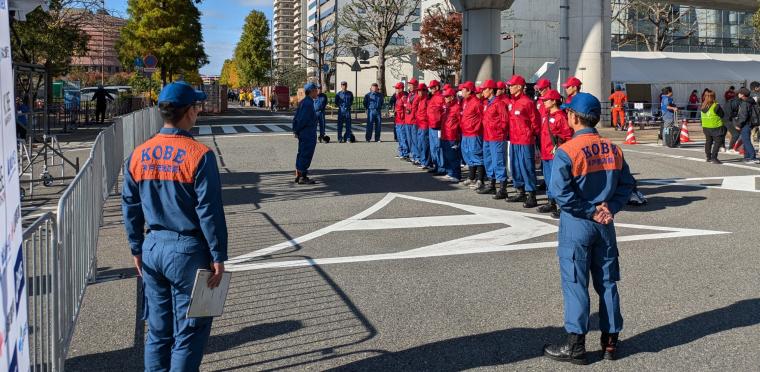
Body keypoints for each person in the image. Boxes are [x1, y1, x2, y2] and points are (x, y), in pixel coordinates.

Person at [122, 82, 227, 371]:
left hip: (152, 245)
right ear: (189, 112)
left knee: (157, 330)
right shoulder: (199, 155)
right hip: (188, 251)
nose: (198, 112)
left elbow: (130, 206)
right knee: (190, 331)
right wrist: (218, 256)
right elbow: (209, 211)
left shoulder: (138, 154)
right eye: (196, 107)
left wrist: (136, 247)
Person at [543, 92, 635, 365]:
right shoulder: (612, 148)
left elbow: (559, 193)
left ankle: (576, 347)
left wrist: (590, 210)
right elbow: (627, 184)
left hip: (578, 224)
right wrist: (610, 208)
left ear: (573, 117)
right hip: (605, 225)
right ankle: (610, 343)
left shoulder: (567, 150)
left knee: (575, 285)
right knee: (607, 283)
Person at [537, 89, 574, 217]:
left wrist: (561, 149)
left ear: (553, 101)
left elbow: (568, 136)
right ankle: (551, 202)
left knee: (558, 181)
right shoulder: (546, 116)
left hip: (555, 155)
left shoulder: (561, 117)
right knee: (548, 179)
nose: (544, 102)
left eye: (546, 100)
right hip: (545, 153)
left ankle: (563, 206)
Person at [505, 75, 541, 208]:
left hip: (525, 140)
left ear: (519, 87)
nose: (509, 88)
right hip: (514, 140)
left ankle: (531, 195)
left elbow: (535, 122)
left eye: (511, 86)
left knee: (526, 167)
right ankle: (520, 191)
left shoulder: (528, 102)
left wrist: (531, 134)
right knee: (515, 166)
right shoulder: (512, 102)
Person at [478, 79, 510, 199]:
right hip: (487, 136)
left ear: (491, 90)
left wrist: (498, 131)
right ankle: (491, 185)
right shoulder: (487, 103)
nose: (483, 92)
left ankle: (503, 188)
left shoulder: (499, 103)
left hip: (496, 137)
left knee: (498, 162)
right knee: (489, 161)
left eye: (484, 89)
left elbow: (504, 121)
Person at [459, 81, 486, 190]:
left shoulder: (477, 103)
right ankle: (471, 177)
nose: (461, 92)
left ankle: (480, 180)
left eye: (463, 90)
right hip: (466, 133)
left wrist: (476, 128)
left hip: (474, 134)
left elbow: (482, 118)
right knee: (468, 155)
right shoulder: (465, 102)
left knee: (477, 155)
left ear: (469, 91)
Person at [293, 82, 321, 183]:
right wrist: (297, 130)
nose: (317, 92)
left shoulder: (304, 102)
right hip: (307, 132)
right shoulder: (308, 103)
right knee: (306, 153)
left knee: (301, 153)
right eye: (316, 90)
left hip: (304, 132)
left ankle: (299, 174)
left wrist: (295, 130)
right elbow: (302, 119)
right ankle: (302, 177)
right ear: (311, 91)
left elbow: (296, 118)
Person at [440, 88, 462, 183]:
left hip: (453, 136)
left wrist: (458, 134)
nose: (445, 98)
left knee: (453, 156)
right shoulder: (446, 107)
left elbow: (461, 122)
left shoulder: (457, 107)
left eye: (447, 96)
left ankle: (456, 175)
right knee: (446, 155)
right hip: (445, 135)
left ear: (452, 97)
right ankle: (449, 173)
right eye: (444, 96)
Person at [699, 89, 726, 164]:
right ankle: (714, 157)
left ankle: (708, 157)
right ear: (713, 96)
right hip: (716, 126)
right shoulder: (716, 106)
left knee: (708, 142)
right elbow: (722, 115)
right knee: (717, 142)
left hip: (706, 127)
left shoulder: (702, 106)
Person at [735, 87, 760, 164]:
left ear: (743, 95)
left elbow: (743, 116)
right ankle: (747, 156)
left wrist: (739, 124)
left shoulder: (745, 103)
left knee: (746, 141)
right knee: (745, 140)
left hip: (746, 124)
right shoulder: (751, 101)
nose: (738, 94)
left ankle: (752, 157)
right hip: (750, 123)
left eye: (739, 93)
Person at [426, 80, 446, 175]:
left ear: (437, 88)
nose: (431, 90)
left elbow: (443, 112)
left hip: (438, 127)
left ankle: (441, 167)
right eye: (430, 88)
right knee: (433, 147)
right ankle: (436, 165)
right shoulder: (433, 98)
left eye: (432, 88)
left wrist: (440, 123)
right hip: (432, 126)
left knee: (438, 147)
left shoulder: (440, 98)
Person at [414, 83, 432, 169]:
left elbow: (428, 114)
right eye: (418, 91)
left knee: (425, 144)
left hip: (425, 125)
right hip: (420, 125)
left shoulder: (427, 101)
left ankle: (426, 162)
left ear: (425, 91)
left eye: (420, 91)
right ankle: (423, 160)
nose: (419, 93)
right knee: (420, 143)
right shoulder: (420, 100)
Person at [392, 82, 409, 159]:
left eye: (397, 88)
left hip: (402, 121)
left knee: (403, 137)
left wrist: (402, 114)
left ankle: (405, 153)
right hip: (397, 120)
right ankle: (401, 152)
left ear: (401, 89)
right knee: (399, 137)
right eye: (395, 88)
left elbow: (407, 109)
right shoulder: (397, 97)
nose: (396, 90)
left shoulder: (404, 97)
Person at [405, 79, 419, 163]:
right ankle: (413, 155)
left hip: (413, 121)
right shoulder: (410, 94)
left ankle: (417, 156)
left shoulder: (417, 95)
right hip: (408, 120)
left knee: (414, 140)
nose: (410, 86)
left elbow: (415, 109)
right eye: (409, 85)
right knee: (410, 139)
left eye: (411, 85)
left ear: (416, 86)